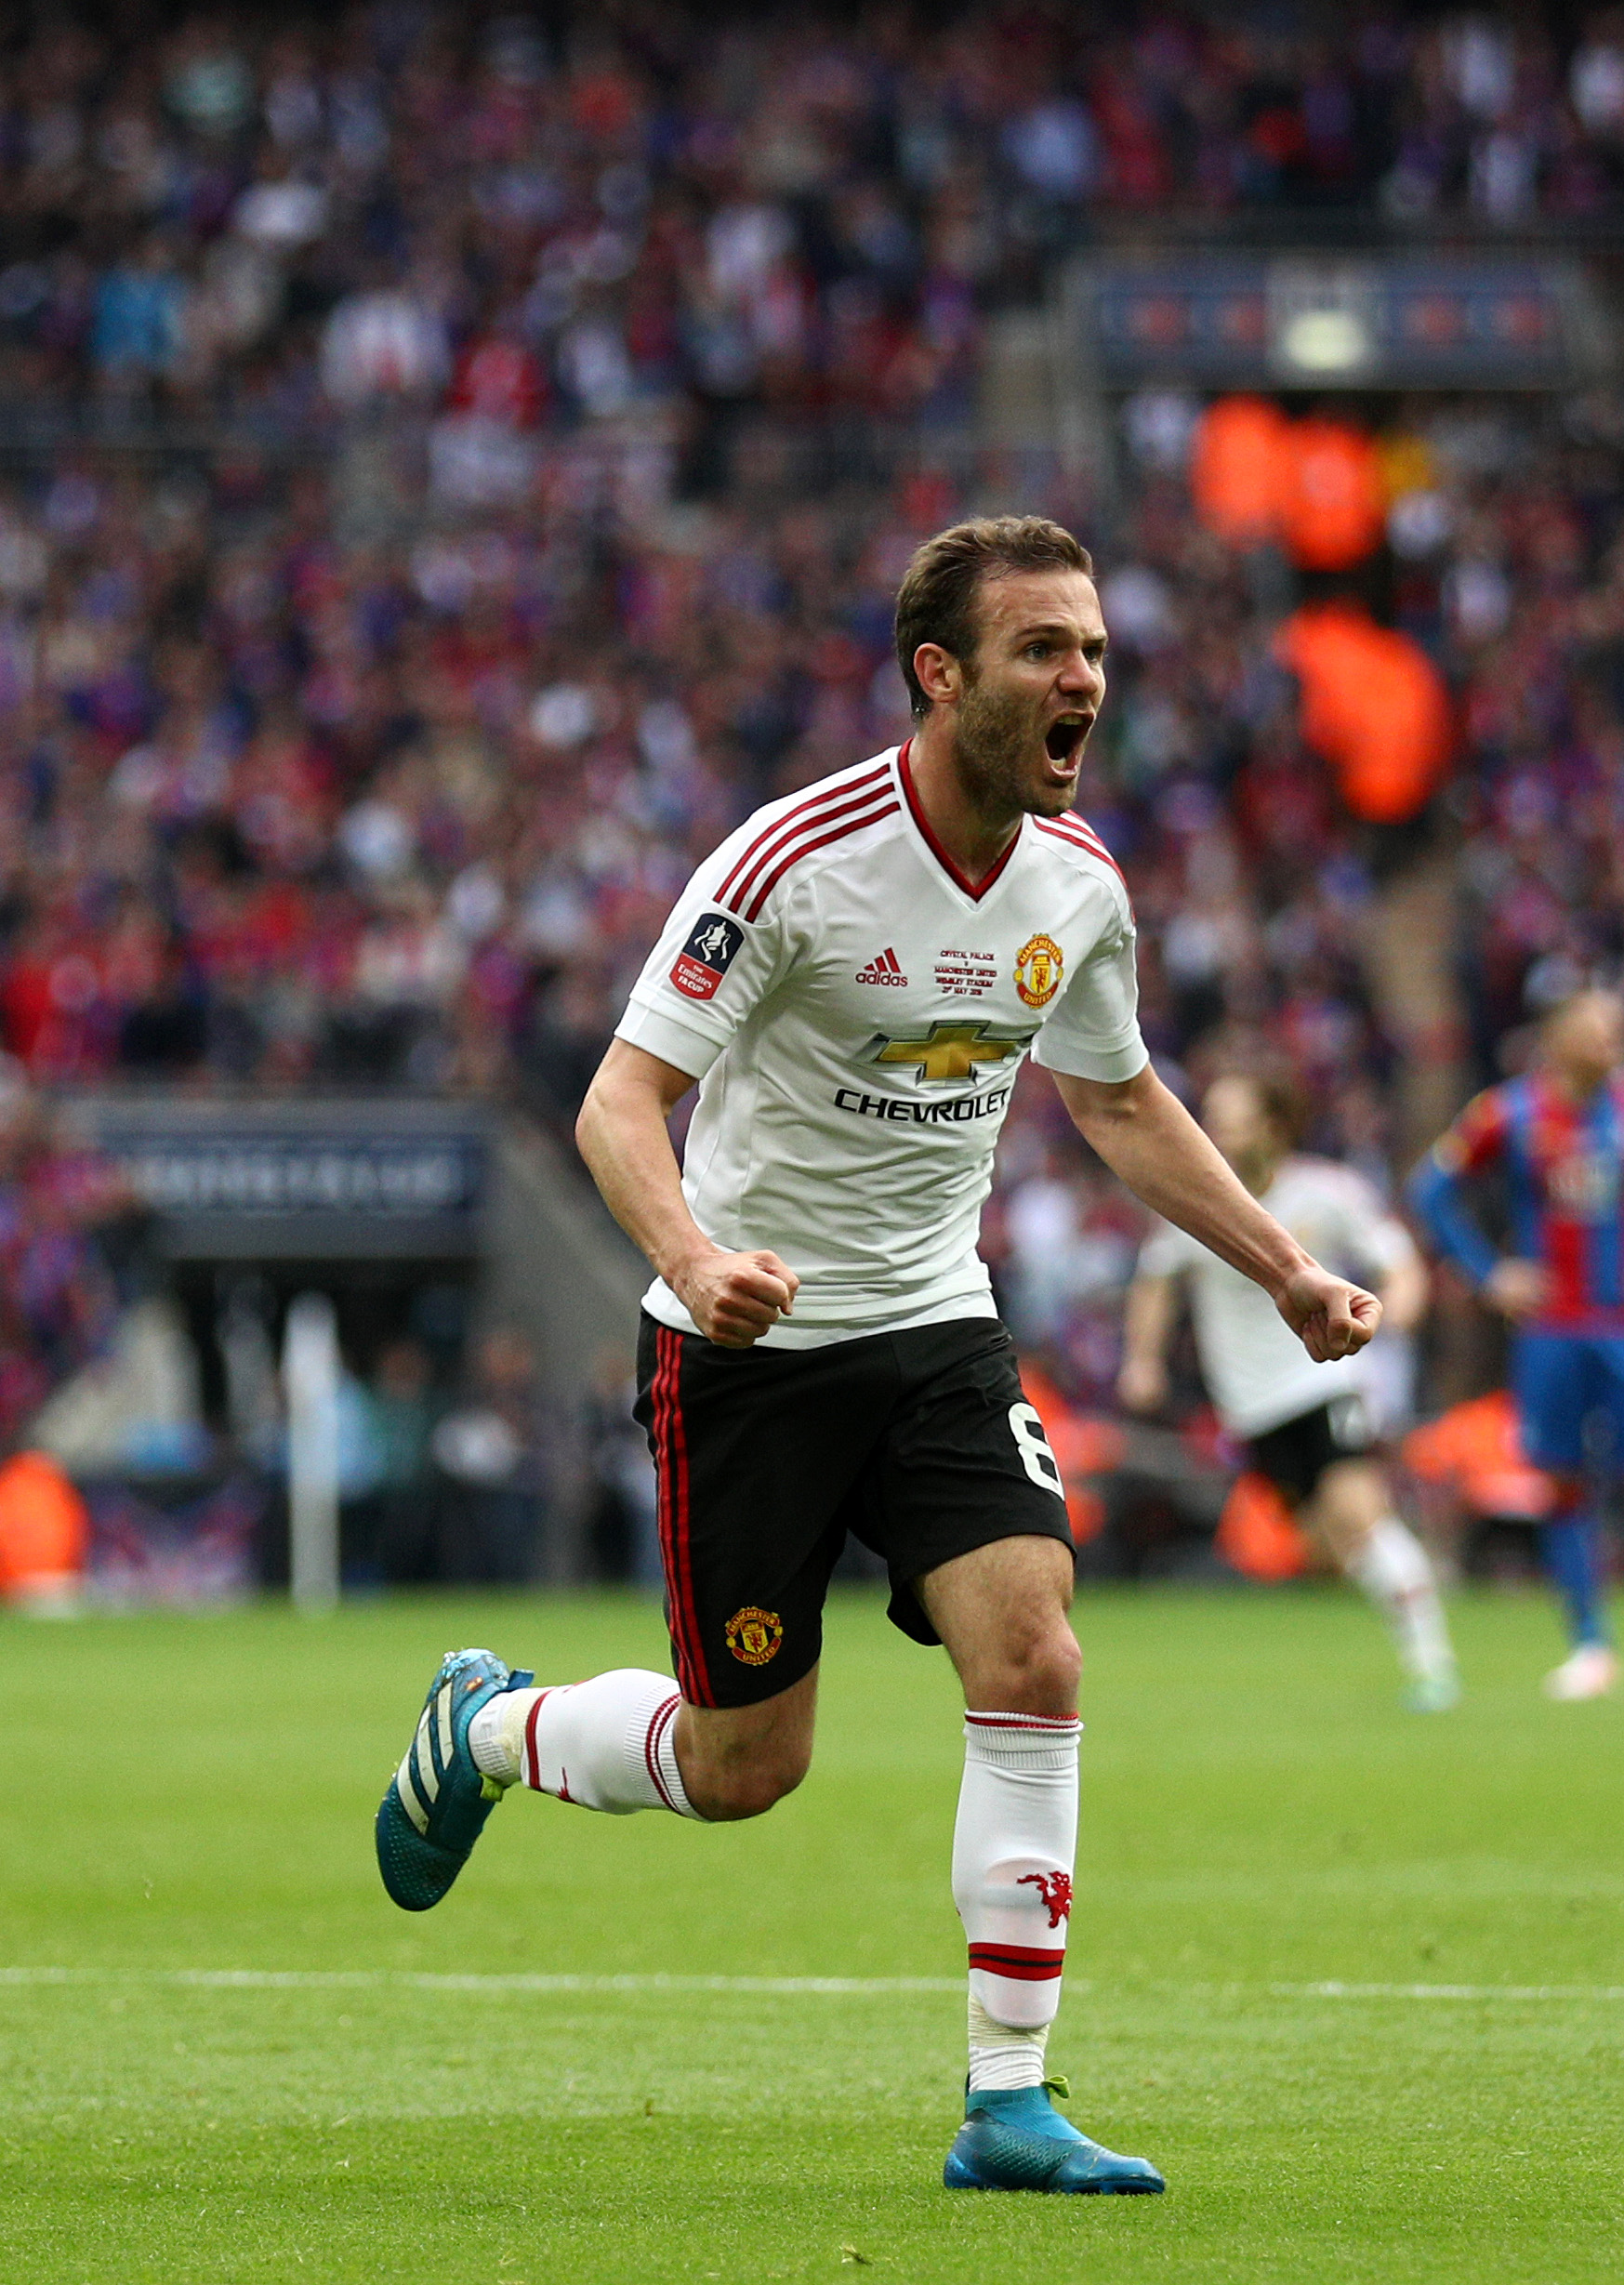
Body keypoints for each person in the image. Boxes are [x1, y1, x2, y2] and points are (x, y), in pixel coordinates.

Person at [371, 516, 1380, 2196]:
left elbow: (1119, 1099)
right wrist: (694, 1256)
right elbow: (619, 1100)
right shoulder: (789, 860)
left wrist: (1283, 1269)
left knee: (1036, 1654)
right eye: (1048, 650)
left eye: (1098, 651)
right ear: (943, 673)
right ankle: (484, 1727)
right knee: (742, 1762)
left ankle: (1009, 2101)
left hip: (934, 1328)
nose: (1086, 682)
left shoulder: (1079, 888)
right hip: (746, 1350)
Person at [1407, 989, 1624, 1702]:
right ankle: (1591, 1648)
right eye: (1598, 1032)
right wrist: (1490, 1275)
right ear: (1559, 1038)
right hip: (1553, 1333)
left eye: (1617, 1033)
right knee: (1563, 1488)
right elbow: (1431, 1191)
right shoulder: (1507, 1115)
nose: (1612, 1044)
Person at [1118, 1068, 1457, 1709]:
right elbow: (1157, 1280)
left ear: (1272, 1127)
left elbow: (1399, 1262)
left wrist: (1397, 1320)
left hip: (1326, 1382)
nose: (1213, 1131)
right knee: (1330, 1550)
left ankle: (1432, 1667)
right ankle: (1418, 1580)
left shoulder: (1325, 1193)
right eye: (1210, 1118)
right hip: (1251, 1406)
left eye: (1230, 1118)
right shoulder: (1196, 1195)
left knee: (1357, 1517)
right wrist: (1142, 1361)